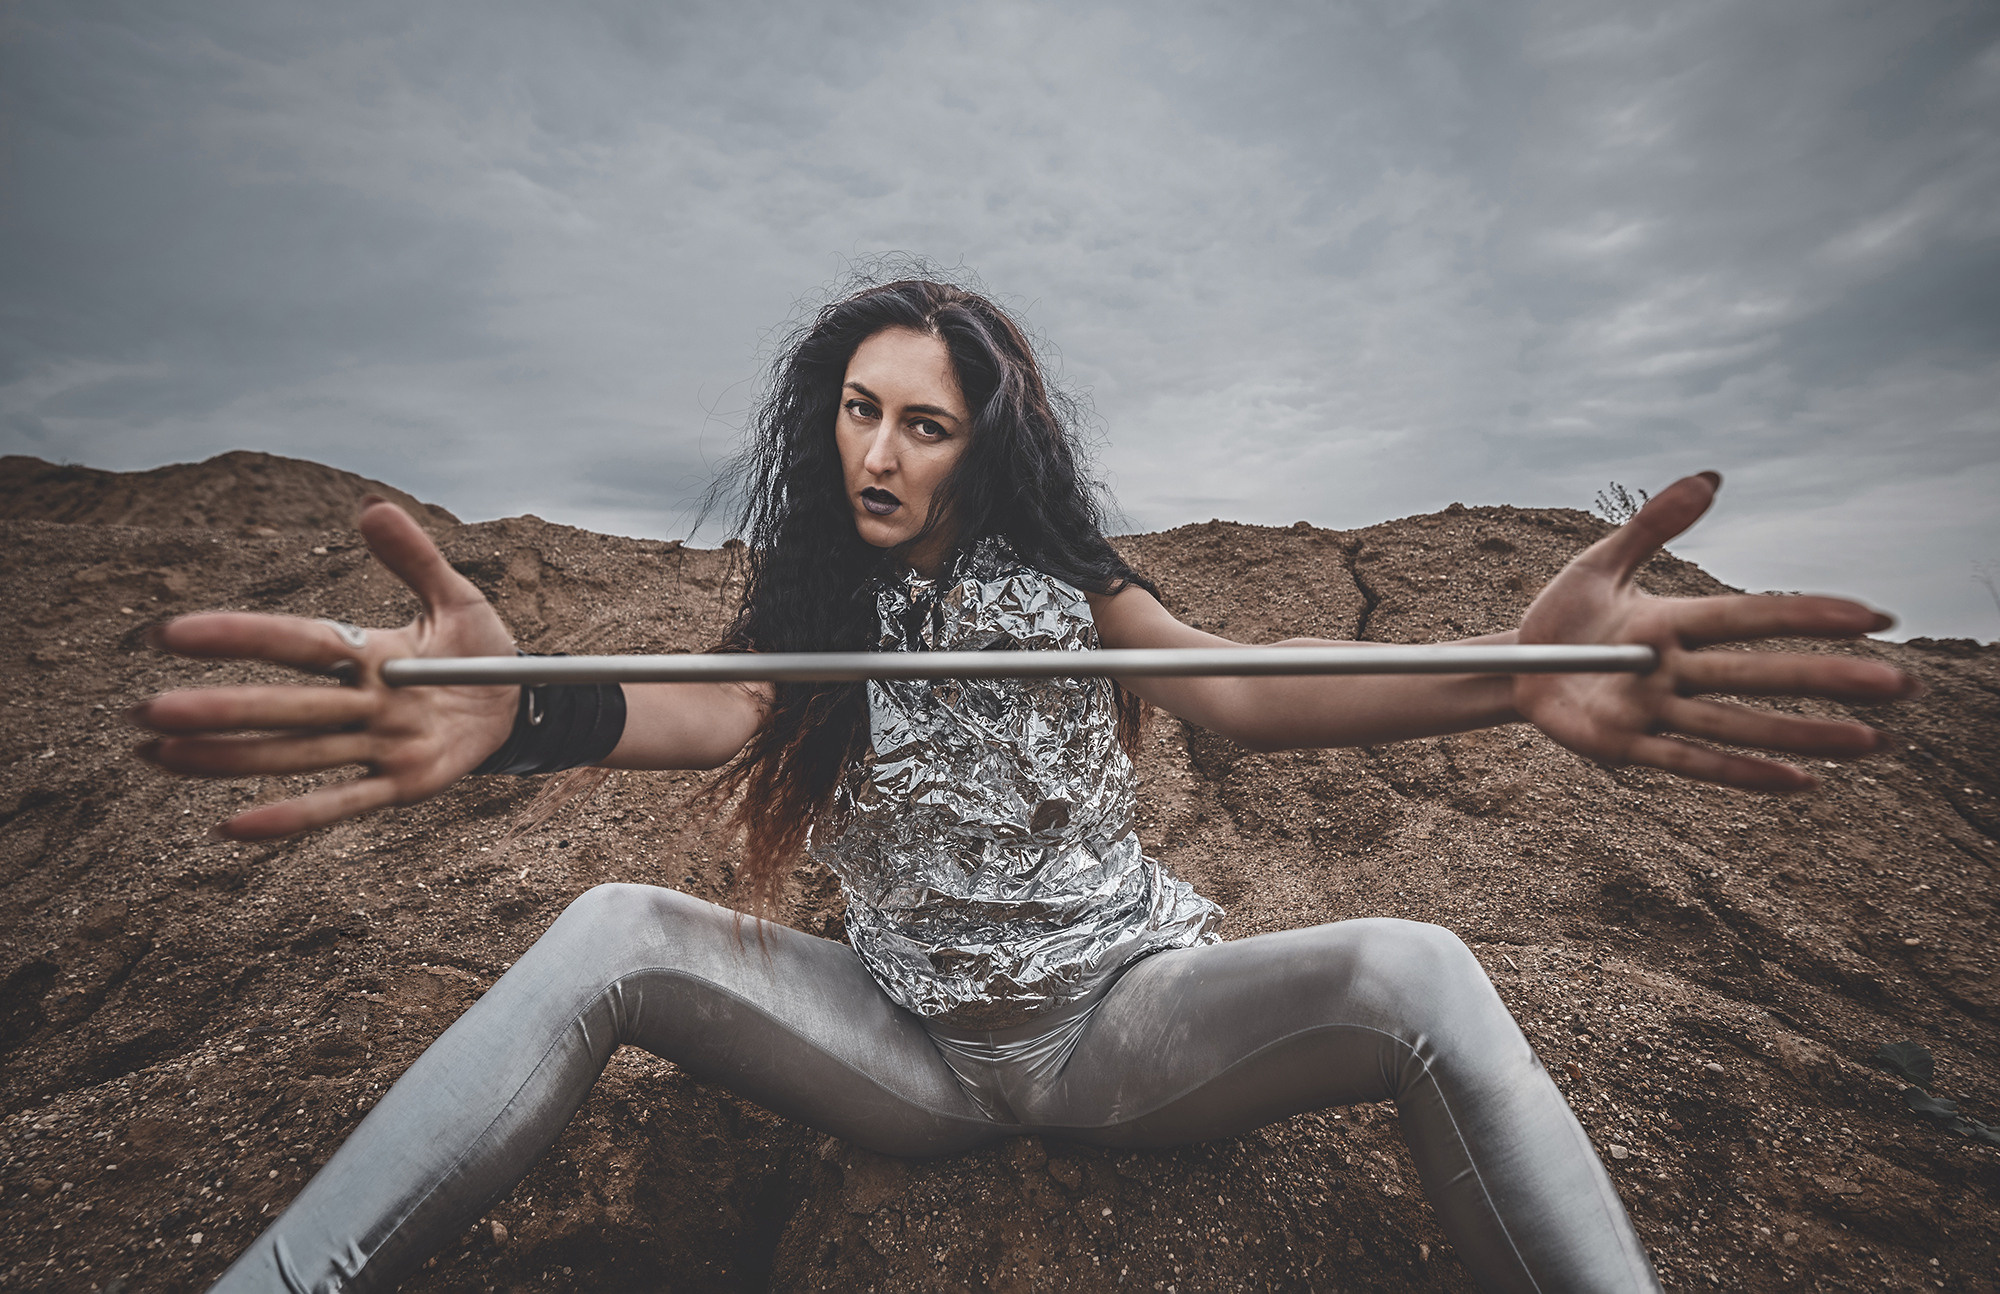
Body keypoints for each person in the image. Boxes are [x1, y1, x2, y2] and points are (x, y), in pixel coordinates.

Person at [133, 280, 1913, 1293]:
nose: (877, 446)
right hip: (904, 1047)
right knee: (607, 927)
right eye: (854, 408)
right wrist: (521, 715)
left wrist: (1518, 681)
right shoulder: (810, 598)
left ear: (983, 438)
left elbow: (1238, 694)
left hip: (1119, 1025)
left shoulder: (1069, 575)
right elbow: (708, 714)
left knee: (1424, 969)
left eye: (921, 419)